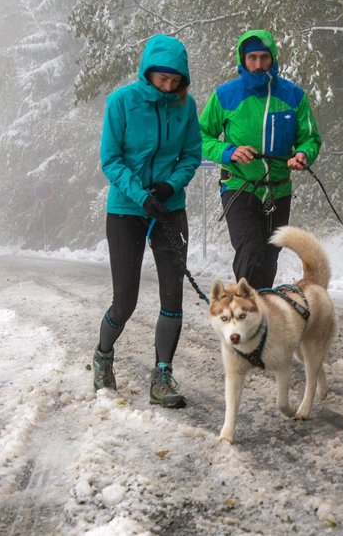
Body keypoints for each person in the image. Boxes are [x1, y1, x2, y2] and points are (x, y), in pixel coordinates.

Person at [95, 33, 202, 409]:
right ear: (148, 73)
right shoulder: (121, 103)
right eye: (162, 80)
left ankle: (161, 376)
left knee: (172, 295)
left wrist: (171, 187)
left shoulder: (185, 107)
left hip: (170, 209)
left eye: (176, 81)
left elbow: (191, 155)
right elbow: (110, 160)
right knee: (125, 301)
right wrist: (141, 195)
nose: (169, 87)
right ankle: (103, 355)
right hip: (127, 211)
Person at [199, 29, 322, 290]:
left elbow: (310, 138)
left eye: (264, 57)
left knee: (268, 258)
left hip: (278, 191)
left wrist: (302, 154)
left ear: (273, 58)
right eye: (251, 57)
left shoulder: (294, 96)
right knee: (250, 249)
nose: (257, 65)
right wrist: (228, 151)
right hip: (238, 186)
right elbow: (200, 135)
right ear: (242, 59)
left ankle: (262, 317)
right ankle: (245, 315)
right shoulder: (225, 95)